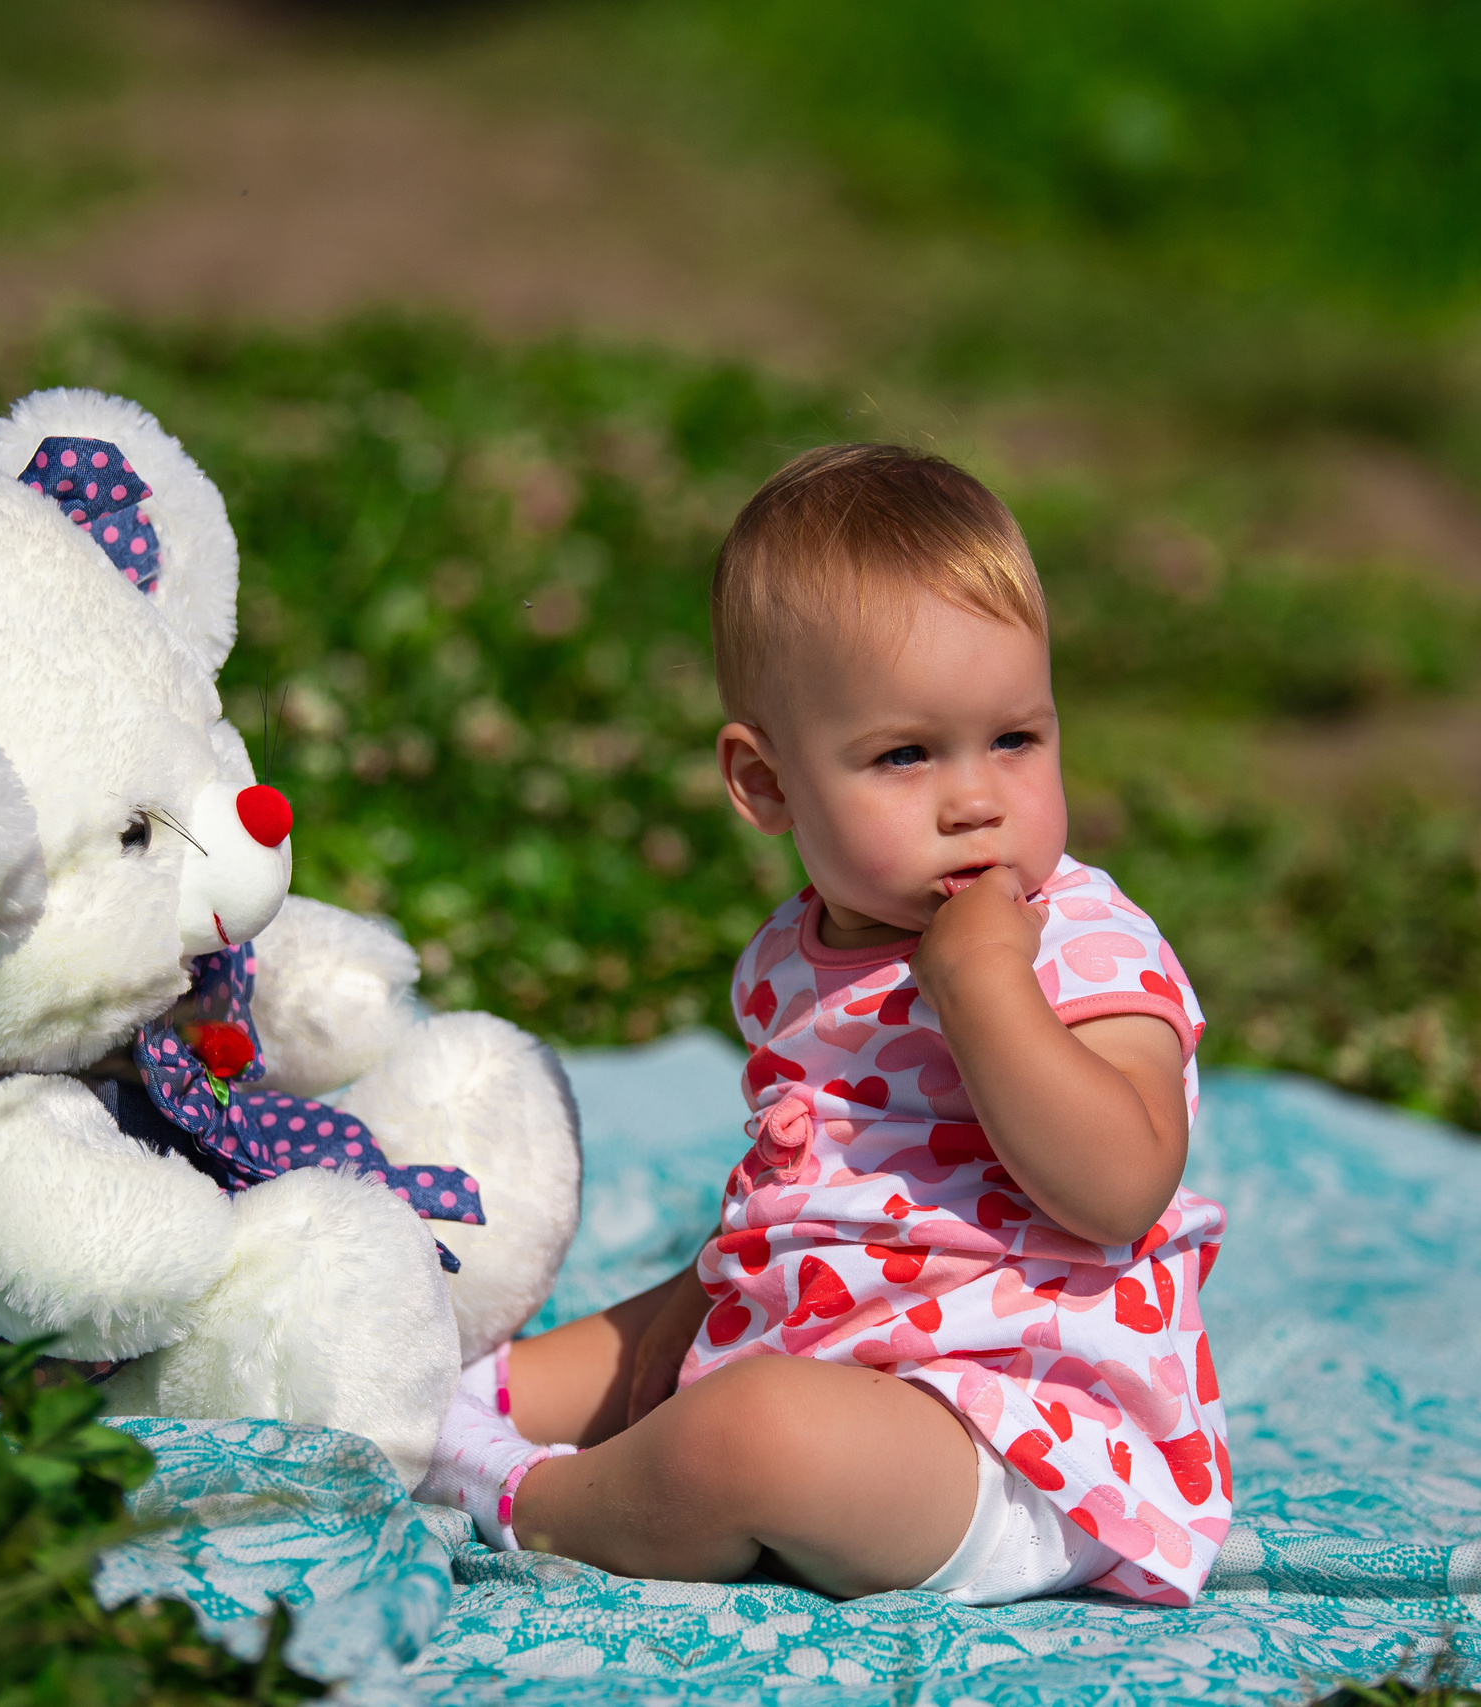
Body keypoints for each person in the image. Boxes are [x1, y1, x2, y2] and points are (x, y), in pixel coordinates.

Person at [415, 444, 1230, 1607]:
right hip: (830, 1348)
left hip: (1020, 1442)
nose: (975, 799)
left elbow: (1121, 1186)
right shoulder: (795, 959)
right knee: (658, 1323)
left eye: (1015, 739)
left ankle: (528, 1502)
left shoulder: (1077, 943)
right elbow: (804, 1207)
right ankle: (431, 1406)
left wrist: (985, 990)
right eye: (904, 755)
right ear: (766, 787)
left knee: (746, 1436)